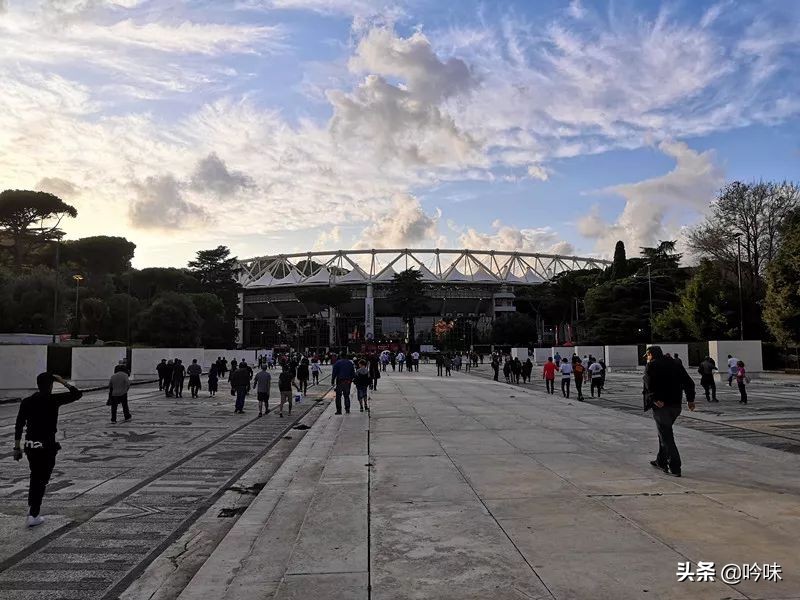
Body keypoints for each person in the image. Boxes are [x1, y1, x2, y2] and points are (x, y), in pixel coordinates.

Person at [13, 373, 82, 527]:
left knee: (35, 476)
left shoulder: (27, 401)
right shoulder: (53, 400)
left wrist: (16, 448)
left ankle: (33, 510)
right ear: (51, 385)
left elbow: (18, 425)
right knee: (41, 479)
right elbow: (77, 394)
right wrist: (63, 382)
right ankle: (34, 513)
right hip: (47, 446)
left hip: (31, 445)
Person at [643, 346, 696, 477]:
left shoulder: (651, 366)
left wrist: (654, 398)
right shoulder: (675, 363)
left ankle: (674, 467)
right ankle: (660, 460)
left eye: (647, 355)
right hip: (676, 406)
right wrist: (690, 400)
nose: (647, 358)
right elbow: (689, 382)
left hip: (661, 406)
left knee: (666, 436)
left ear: (651, 354)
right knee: (664, 432)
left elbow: (648, 384)